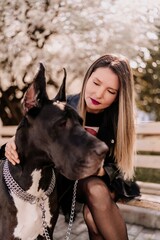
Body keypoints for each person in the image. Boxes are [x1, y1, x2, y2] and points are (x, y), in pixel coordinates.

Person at [1, 54, 140, 240]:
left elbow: (122, 168)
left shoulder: (119, 121)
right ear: (87, 77)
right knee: (93, 218)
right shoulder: (65, 107)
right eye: (96, 83)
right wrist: (12, 142)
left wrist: (101, 171)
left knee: (95, 198)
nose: (99, 94)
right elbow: (34, 133)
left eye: (111, 91)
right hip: (61, 183)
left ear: (118, 96)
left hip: (97, 185)